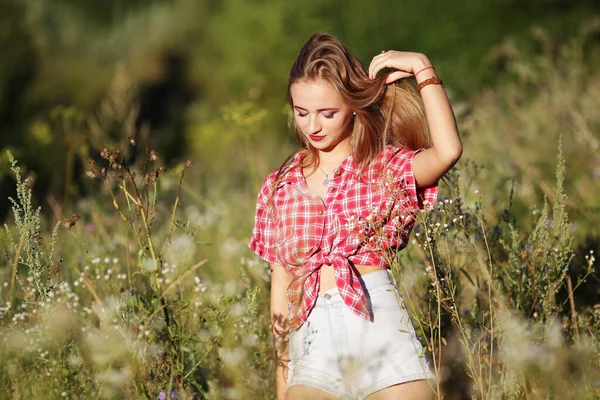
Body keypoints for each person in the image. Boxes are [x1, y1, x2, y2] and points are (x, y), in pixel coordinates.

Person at [249, 33, 462, 400]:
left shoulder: (384, 167)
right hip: (312, 344)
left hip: (379, 329)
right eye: (302, 113)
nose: (312, 125)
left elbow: (447, 152)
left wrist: (422, 69)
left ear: (352, 106)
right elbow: (281, 292)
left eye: (327, 113)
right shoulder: (278, 186)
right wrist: (282, 382)